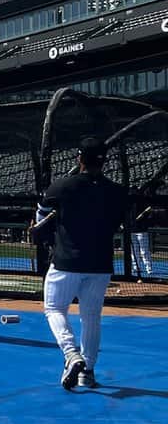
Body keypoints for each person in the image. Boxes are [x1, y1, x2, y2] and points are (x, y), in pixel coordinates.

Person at [34, 137, 127, 390]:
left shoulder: (62, 186)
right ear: (104, 161)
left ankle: (70, 353)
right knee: (91, 318)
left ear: (80, 159)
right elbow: (120, 221)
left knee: (54, 309)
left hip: (66, 261)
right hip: (100, 264)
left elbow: (40, 216)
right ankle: (88, 370)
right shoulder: (117, 191)